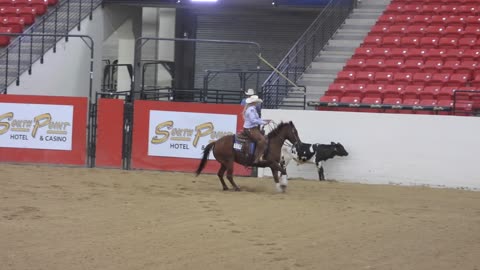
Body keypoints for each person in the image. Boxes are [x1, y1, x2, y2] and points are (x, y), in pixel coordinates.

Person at [243, 95, 270, 164]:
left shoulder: (252, 109)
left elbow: (256, 119)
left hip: (252, 128)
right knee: (262, 140)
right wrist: (263, 122)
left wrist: (265, 120)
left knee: (263, 138)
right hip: (250, 129)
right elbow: (253, 120)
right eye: (256, 102)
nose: (257, 103)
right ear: (254, 102)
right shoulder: (251, 110)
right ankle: (257, 158)